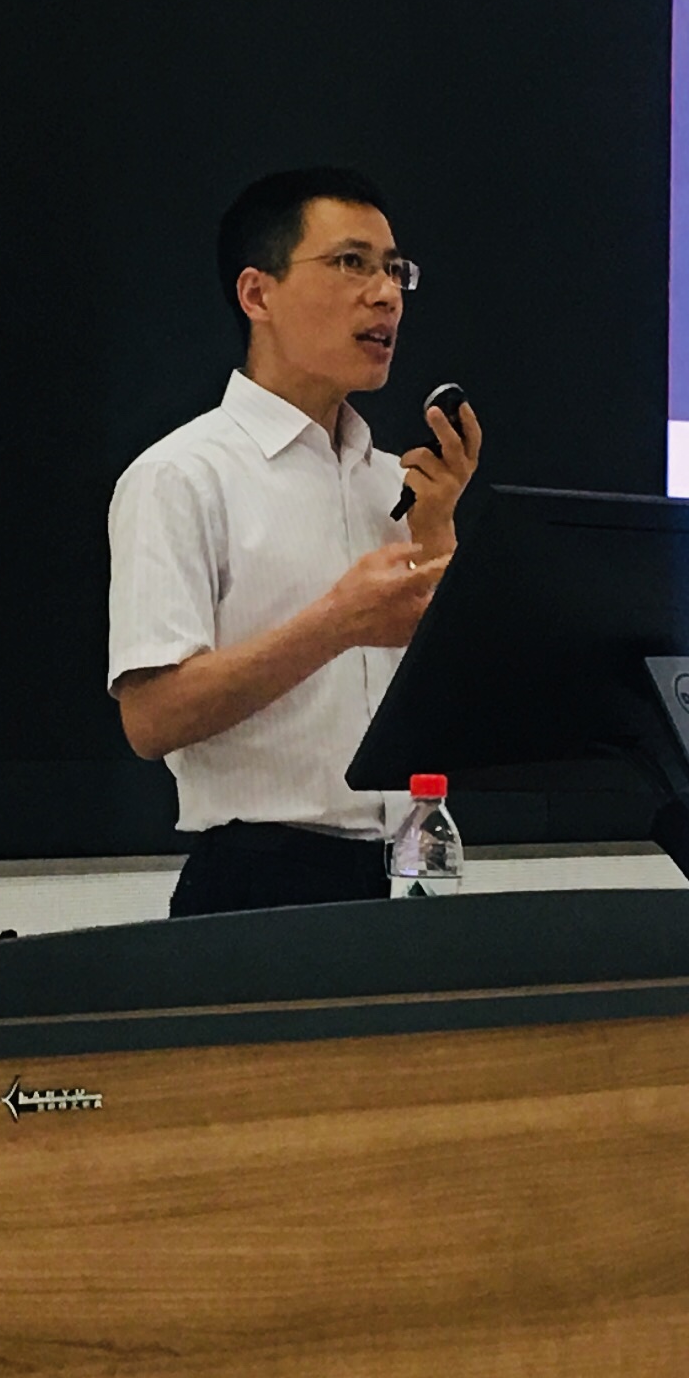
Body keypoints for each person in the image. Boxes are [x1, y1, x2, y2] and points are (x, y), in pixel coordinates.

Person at [108, 167, 483, 915]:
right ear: (258, 294)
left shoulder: (399, 485)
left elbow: (461, 712)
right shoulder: (181, 474)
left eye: (394, 270)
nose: (386, 294)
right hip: (259, 885)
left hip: (410, 872)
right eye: (350, 263)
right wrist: (336, 624)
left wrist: (440, 534)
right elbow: (151, 719)